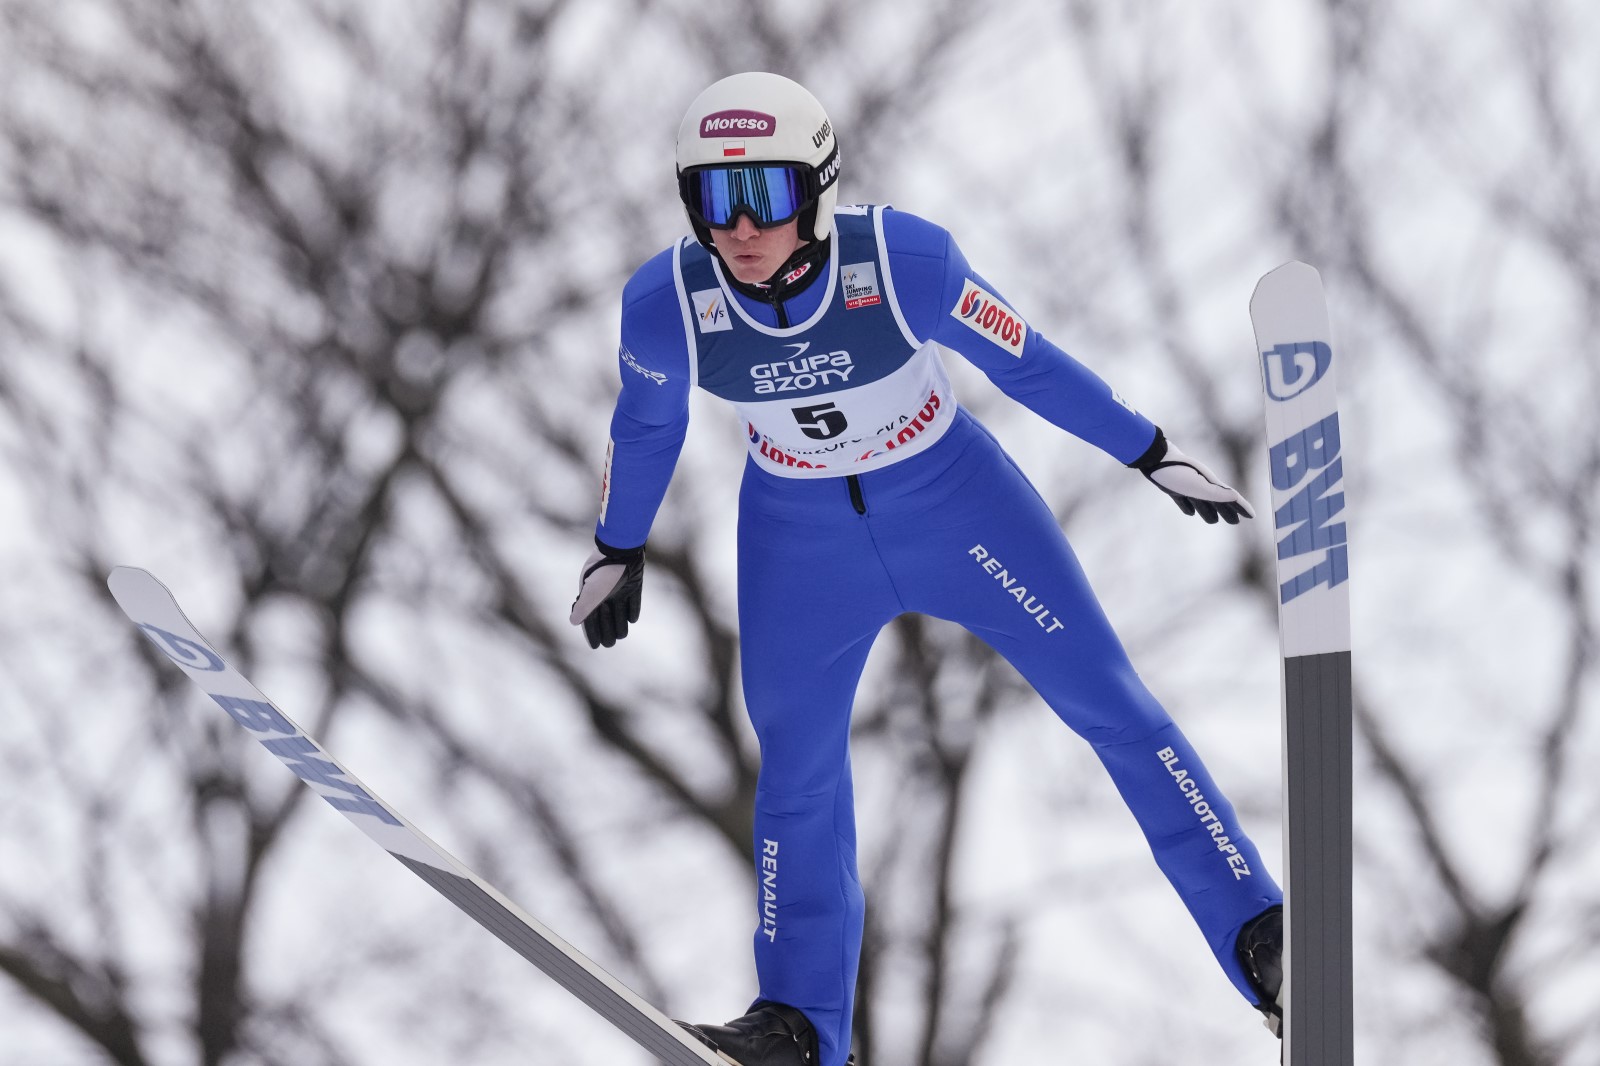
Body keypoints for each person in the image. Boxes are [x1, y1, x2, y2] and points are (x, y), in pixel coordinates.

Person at [570, 72, 1284, 1066]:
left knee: (1110, 704)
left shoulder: (903, 262)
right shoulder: (668, 306)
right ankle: (796, 1026)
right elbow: (646, 425)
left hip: (956, 507)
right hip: (799, 539)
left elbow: (1026, 359)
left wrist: (1148, 451)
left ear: (817, 189)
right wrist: (618, 545)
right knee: (797, 771)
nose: (740, 227)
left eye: (765, 194)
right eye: (714, 200)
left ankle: (1262, 935)